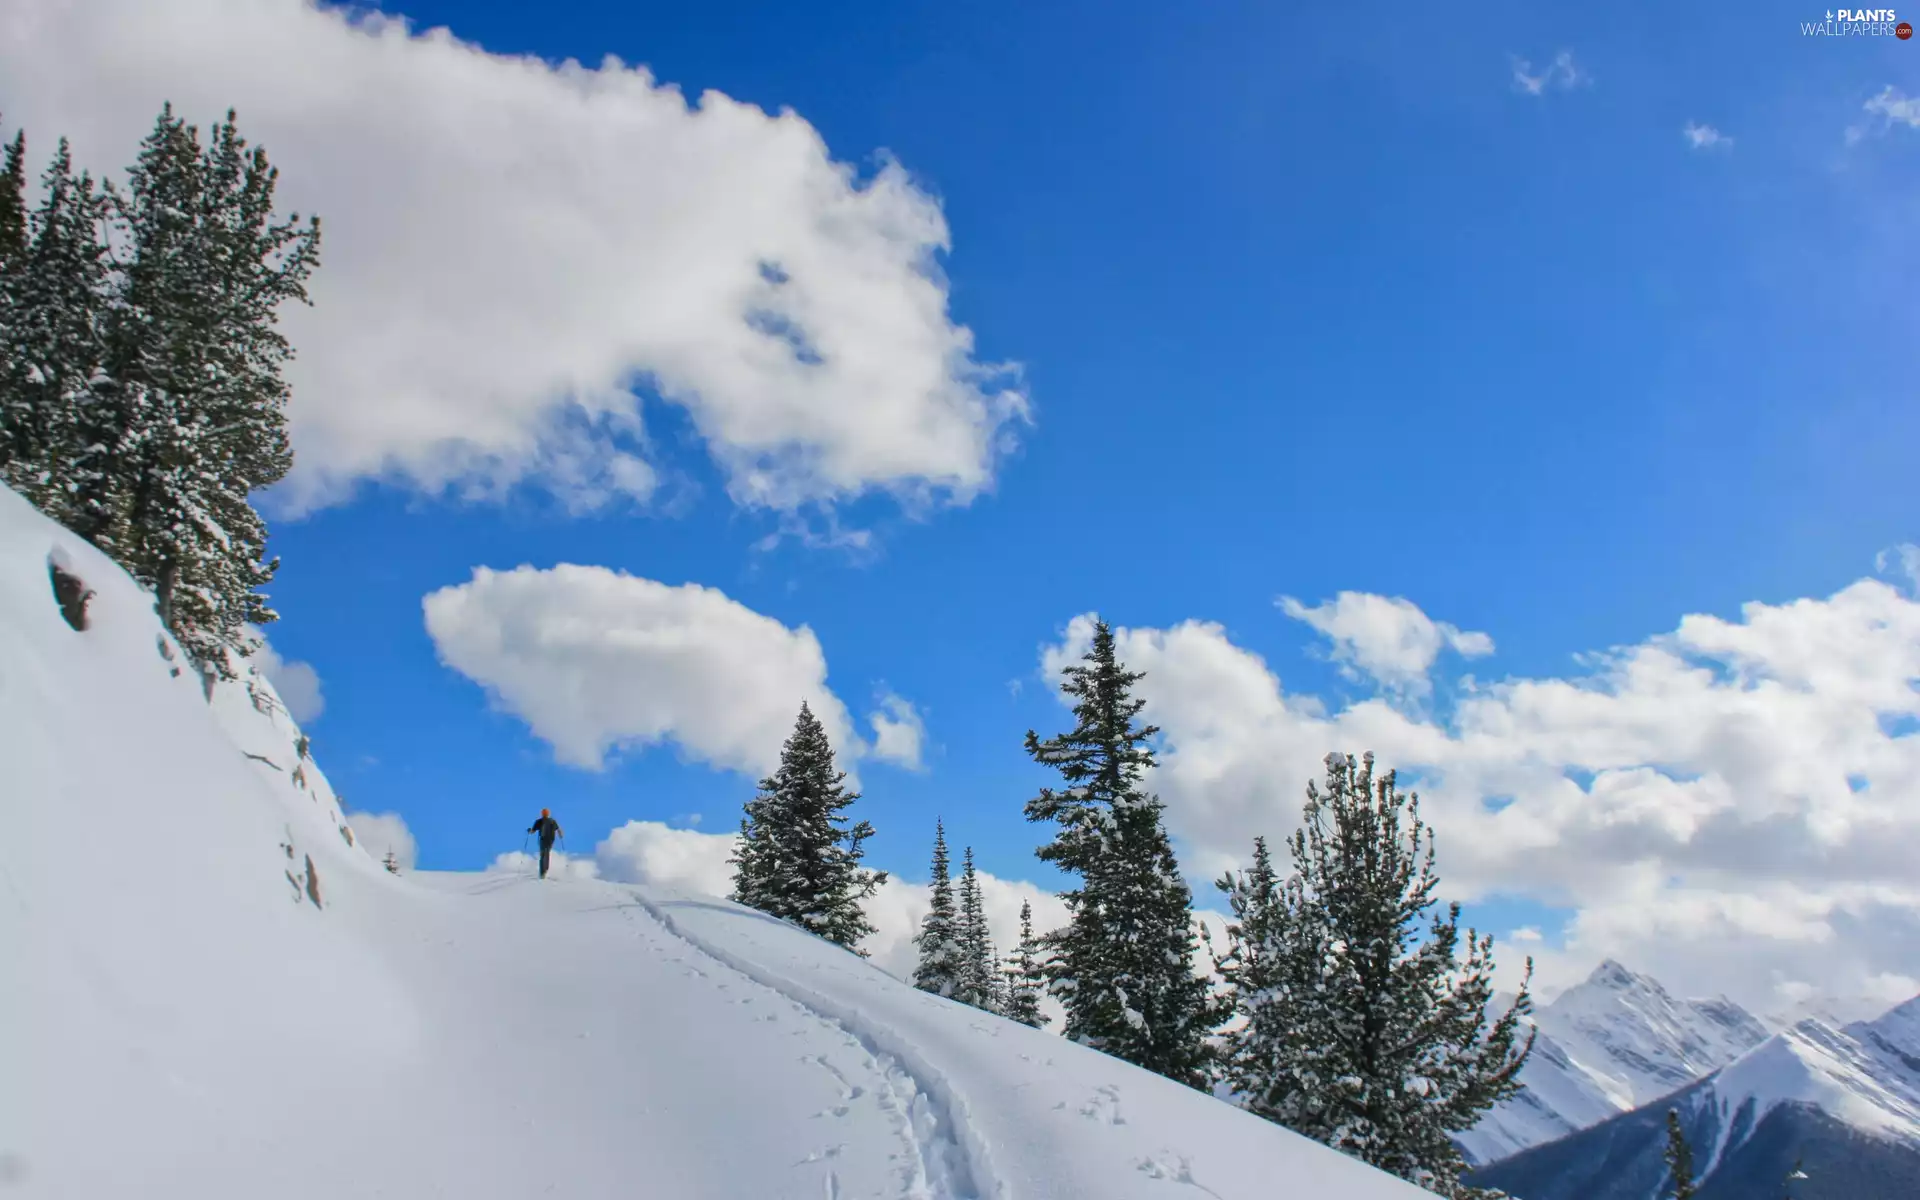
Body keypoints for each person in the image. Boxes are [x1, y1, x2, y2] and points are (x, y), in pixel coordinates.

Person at [526, 808, 563, 879]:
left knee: (543, 854)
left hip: (543, 840)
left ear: (542, 814)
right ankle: (544, 870)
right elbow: (558, 830)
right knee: (546, 853)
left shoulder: (539, 821)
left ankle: (542, 872)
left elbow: (532, 831)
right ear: (548, 814)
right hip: (550, 840)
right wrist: (560, 835)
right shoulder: (552, 821)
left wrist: (529, 831)